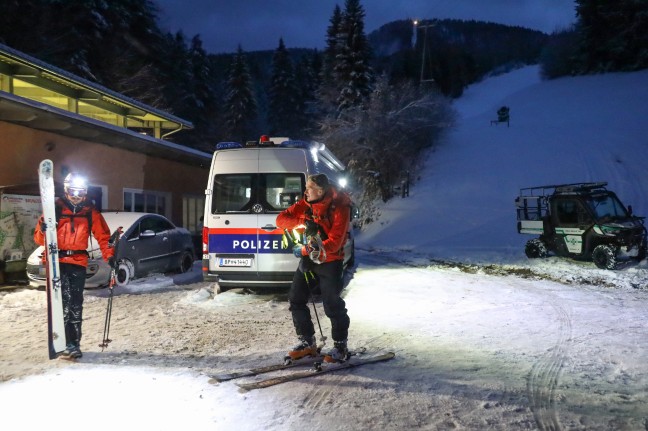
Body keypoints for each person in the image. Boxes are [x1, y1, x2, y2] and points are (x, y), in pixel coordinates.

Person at [34, 172, 115, 359]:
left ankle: (73, 343)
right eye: (72, 191)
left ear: (85, 192)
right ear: (66, 191)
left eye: (80, 192)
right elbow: (39, 239)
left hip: (78, 262)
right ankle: (59, 340)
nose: (76, 196)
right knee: (60, 302)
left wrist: (109, 255)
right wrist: (43, 229)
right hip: (57, 262)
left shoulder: (90, 212)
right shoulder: (55, 209)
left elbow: (103, 237)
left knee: (75, 303)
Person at [276, 173, 352, 363]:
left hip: (330, 261)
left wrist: (304, 249)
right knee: (296, 299)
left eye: (309, 188)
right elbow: (280, 220)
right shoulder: (306, 203)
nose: (305, 191)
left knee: (332, 305)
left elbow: (334, 243)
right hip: (309, 260)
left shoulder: (340, 207)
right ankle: (307, 343)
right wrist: (304, 223)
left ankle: (340, 346)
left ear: (320, 190)